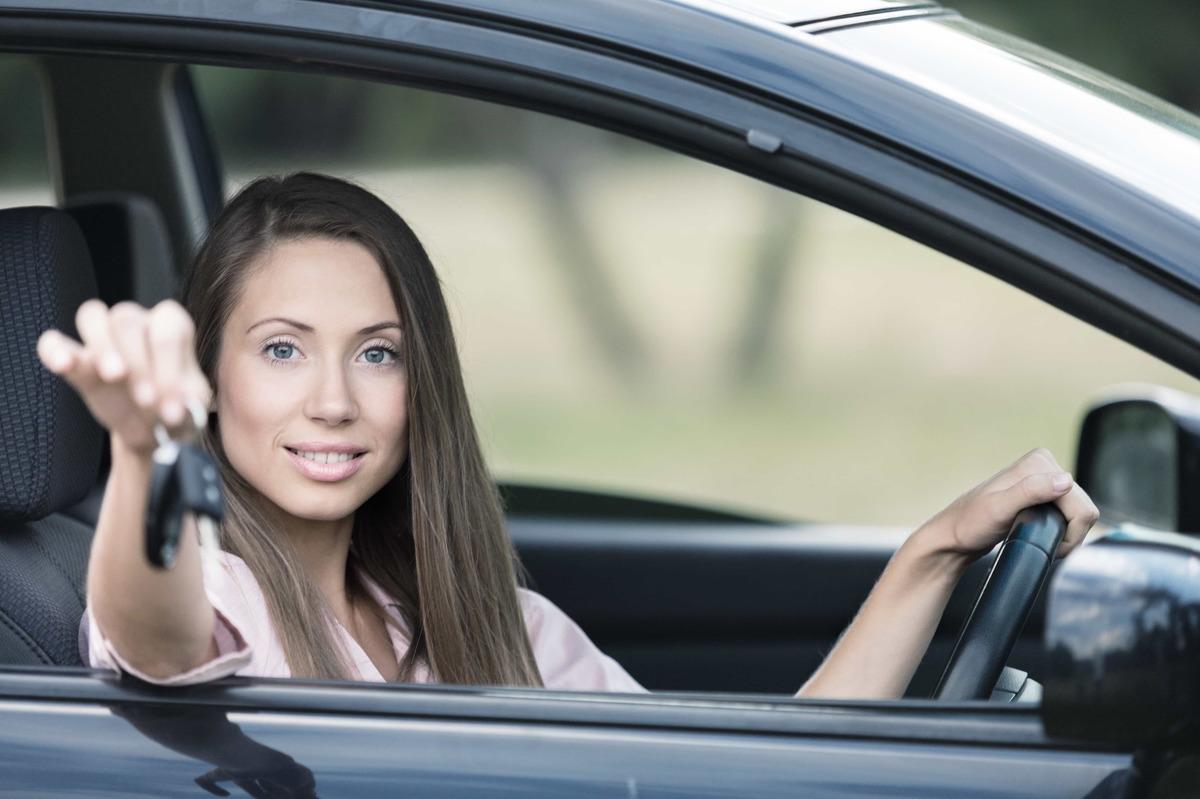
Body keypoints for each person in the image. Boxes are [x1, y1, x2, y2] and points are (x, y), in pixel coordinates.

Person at [36, 172, 1099, 696]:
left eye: (378, 352)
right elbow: (148, 629)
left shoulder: (488, 623)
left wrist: (938, 549)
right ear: (210, 381)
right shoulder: (211, 599)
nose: (333, 401)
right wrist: (148, 451)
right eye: (280, 350)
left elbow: (740, 778)